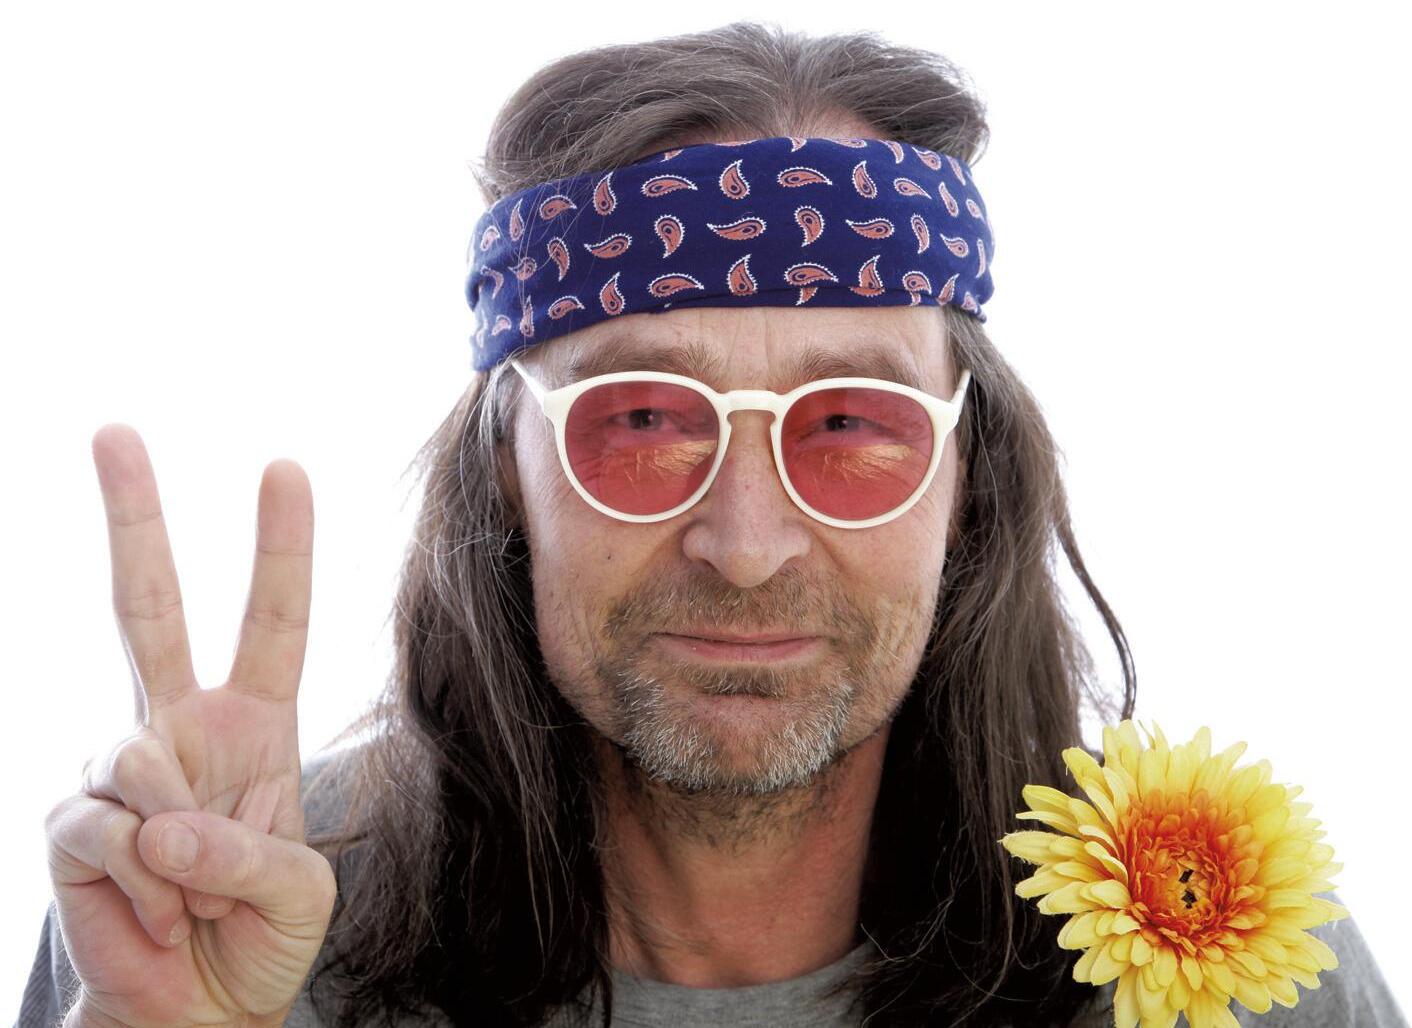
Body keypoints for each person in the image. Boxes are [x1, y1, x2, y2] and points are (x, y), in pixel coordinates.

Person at [18, 20, 1407, 1028]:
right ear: (506, 468)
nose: (746, 546)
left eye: (852, 425)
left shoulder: (1223, 960)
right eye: (640, 419)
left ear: (968, 476)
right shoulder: (230, 912)